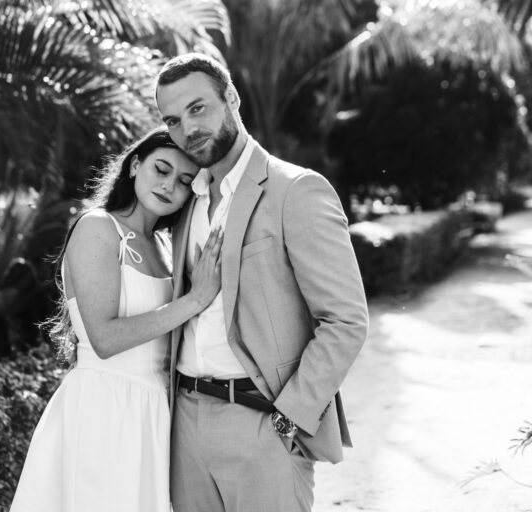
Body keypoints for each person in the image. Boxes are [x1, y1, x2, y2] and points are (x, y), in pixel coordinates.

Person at [155, 53, 369, 512]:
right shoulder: (183, 202)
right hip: (185, 424)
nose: (187, 130)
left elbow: (346, 320)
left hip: (262, 422)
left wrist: (290, 414)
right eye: (172, 120)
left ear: (230, 97)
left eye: (198, 109)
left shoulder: (296, 190)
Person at [9, 128, 223, 512]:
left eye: (184, 181)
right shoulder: (97, 227)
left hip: (155, 412)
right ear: (135, 164)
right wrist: (196, 299)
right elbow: (104, 339)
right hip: (104, 409)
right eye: (161, 169)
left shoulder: (166, 248)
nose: (170, 185)